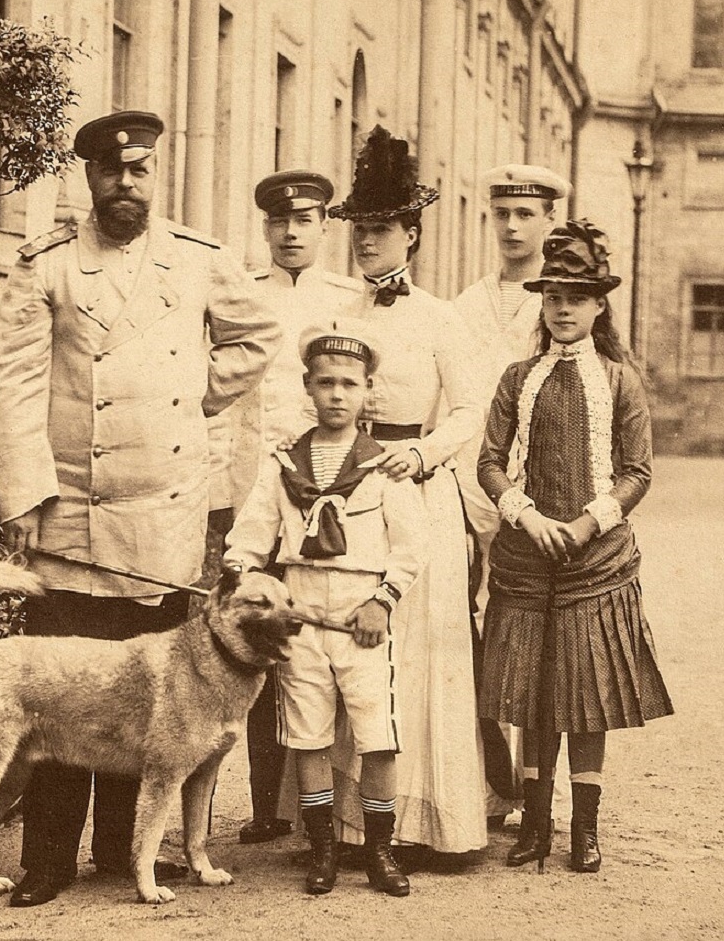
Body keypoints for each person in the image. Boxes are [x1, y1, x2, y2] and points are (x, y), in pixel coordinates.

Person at [0, 109, 280, 907]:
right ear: (89, 177)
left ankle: (120, 850)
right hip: (71, 515)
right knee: (64, 689)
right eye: (111, 172)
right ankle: (48, 860)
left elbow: (257, 335)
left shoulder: (198, 260)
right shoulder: (48, 265)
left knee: (148, 696)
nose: (125, 185)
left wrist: (192, 396)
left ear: (155, 175)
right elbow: (8, 387)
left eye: (139, 171)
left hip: (162, 514)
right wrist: (24, 494)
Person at [476, 219, 674, 872]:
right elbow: (490, 462)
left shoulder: (619, 380)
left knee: (587, 696)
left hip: (597, 560)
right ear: (542, 302)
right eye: (554, 296)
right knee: (534, 694)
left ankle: (584, 829)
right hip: (527, 556)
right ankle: (536, 823)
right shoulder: (517, 377)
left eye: (577, 297)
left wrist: (588, 524)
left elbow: (638, 471)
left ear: (599, 306)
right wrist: (527, 517)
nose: (563, 308)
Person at [327, 125, 489, 858]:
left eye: (382, 229)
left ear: (411, 236)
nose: (367, 241)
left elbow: (470, 410)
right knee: (353, 645)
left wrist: (421, 453)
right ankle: (350, 825)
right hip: (350, 486)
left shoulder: (439, 317)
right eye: (360, 229)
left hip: (418, 490)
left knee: (417, 650)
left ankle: (423, 823)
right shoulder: (340, 315)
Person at [224, 319, 428, 896]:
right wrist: (244, 575)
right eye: (325, 383)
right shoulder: (283, 464)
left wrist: (383, 601)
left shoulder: (383, 465)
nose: (337, 395)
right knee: (307, 734)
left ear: (368, 391)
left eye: (349, 384)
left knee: (377, 735)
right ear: (307, 388)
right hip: (300, 612)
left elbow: (412, 547)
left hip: (362, 613)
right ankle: (323, 851)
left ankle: (380, 850)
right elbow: (250, 538)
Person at [227, 170, 364, 846]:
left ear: (324, 226)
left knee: (327, 650)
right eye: (279, 222)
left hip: (328, 498)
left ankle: (330, 810)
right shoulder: (242, 293)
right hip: (256, 492)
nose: (290, 233)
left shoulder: (349, 299)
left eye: (304, 220)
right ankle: (266, 806)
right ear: (265, 228)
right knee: (257, 639)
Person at [453, 164, 571, 835]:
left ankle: (536, 794)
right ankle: (487, 783)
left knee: (536, 640)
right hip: (471, 492)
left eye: (526, 214)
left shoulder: (558, 304)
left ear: (550, 221)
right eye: (502, 213)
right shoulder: (467, 304)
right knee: (473, 637)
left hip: (538, 499)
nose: (512, 226)